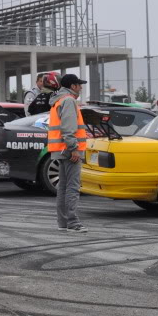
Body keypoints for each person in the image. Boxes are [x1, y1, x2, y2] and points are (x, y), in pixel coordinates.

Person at [49, 73, 89, 233]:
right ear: (73, 86)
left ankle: (63, 223)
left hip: (60, 149)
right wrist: (74, 148)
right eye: (79, 85)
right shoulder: (69, 101)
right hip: (69, 150)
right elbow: (68, 128)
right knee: (72, 187)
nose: (80, 87)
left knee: (64, 187)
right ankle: (73, 223)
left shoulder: (58, 100)